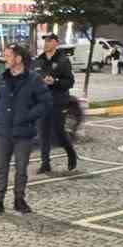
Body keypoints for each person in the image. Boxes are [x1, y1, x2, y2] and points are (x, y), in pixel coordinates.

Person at [0, 44, 52, 217]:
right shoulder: (0, 78)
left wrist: (28, 115)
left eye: (8, 56)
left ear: (18, 59)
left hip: (23, 133)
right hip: (3, 132)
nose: (4, 59)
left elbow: (45, 102)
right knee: (1, 169)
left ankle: (19, 200)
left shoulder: (34, 79)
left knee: (21, 169)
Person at [34, 33, 78, 174]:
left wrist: (56, 82)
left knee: (58, 132)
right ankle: (45, 163)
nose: (46, 43)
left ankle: (71, 153)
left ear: (56, 43)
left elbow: (70, 82)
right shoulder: (39, 60)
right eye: (45, 41)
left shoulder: (63, 60)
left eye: (49, 40)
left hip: (58, 101)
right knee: (43, 133)